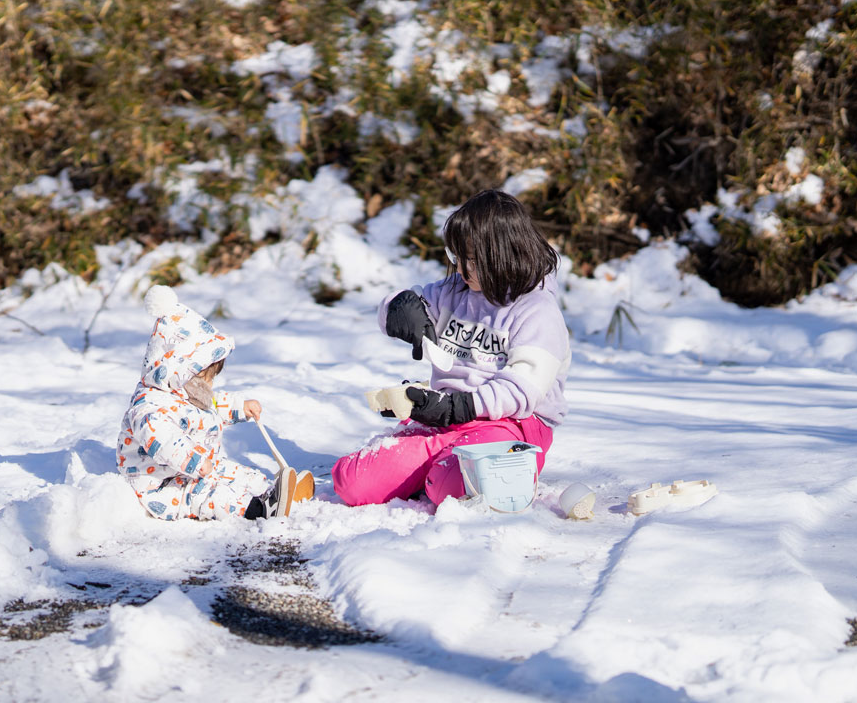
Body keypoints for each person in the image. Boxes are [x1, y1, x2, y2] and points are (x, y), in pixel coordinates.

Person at [332, 189, 570, 508]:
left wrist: (455, 407)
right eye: (455, 257)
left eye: (469, 260)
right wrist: (402, 309)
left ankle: (458, 471)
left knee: (448, 486)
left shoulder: (538, 312)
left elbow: (522, 393)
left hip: (514, 423)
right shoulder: (455, 291)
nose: (459, 269)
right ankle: (436, 464)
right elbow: (397, 305)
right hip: (447, 420)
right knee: (352, 483)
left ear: (501, 255)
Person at [119, 285, 313, 521]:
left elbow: (212, 404)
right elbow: (162, 439)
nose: (208, 386)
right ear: (179, 373)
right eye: (204, 379)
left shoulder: (186, 392)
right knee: (209, 495)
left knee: (238, 473)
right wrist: (192, 460)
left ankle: (274, 493)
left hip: (195, 469)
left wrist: (240, 407)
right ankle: (257, 509)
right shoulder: (149, 407)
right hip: (164, 485)